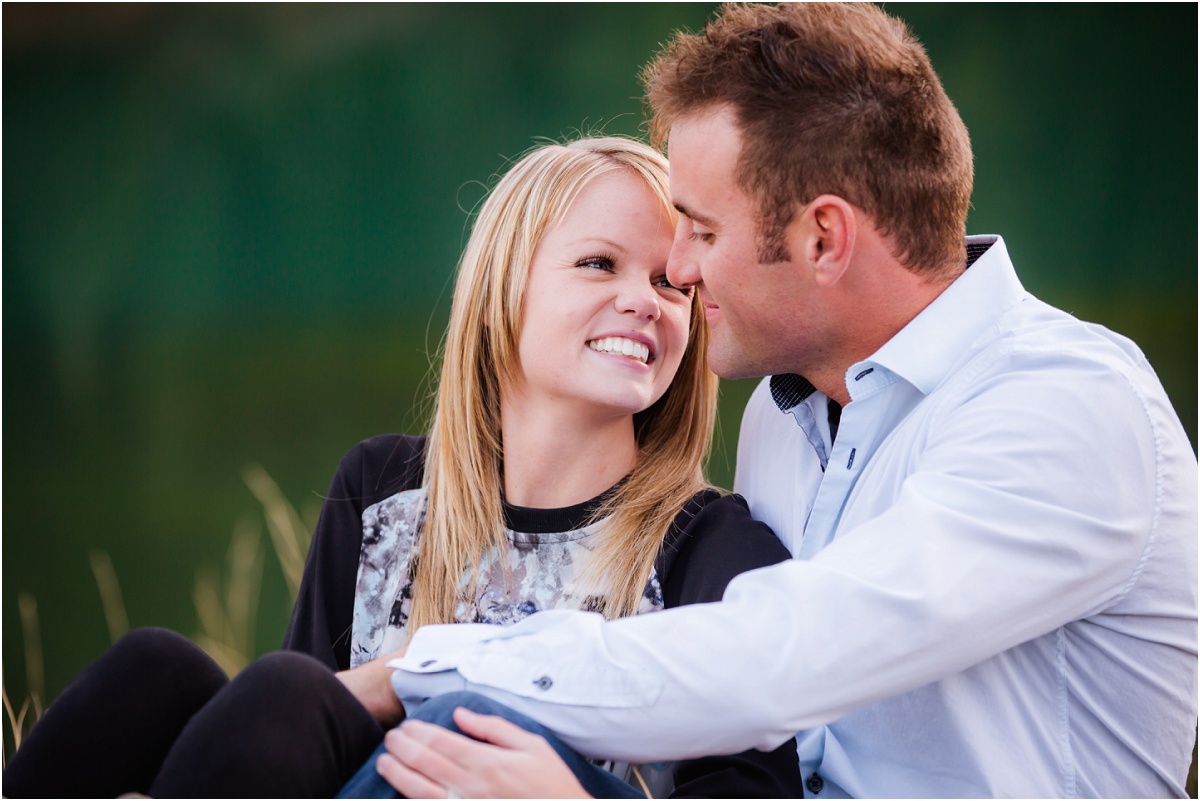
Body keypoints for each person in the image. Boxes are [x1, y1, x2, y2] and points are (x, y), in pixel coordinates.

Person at [372, 4, 1199, 798]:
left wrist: (420, 671)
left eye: (701, 231)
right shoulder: (783, 410)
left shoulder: (1066, 407)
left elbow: (778, 655)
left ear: (823, 239)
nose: (682, 275)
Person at [0, 136, 803, 798]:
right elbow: (297, 730)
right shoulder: (383, 492)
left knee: (457, 718)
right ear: (503, 289)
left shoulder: (710, 546)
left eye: (671, 283)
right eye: (600, 264)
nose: (646, 300)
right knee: (157, 668)